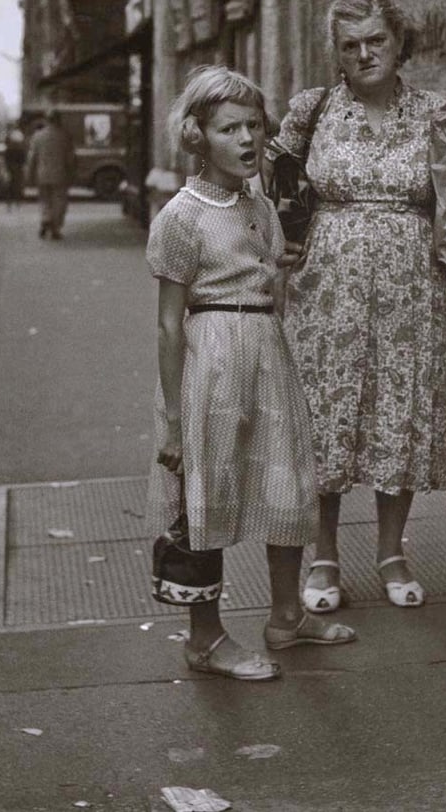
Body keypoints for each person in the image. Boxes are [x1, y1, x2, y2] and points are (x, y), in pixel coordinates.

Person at [148, 65, 356, 681]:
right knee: (206, 492)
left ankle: (287, 617)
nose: (247, 140)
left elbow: (267, 283)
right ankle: (205, 639)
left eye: (254, 126)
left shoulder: (258, 203)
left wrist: (281, 268)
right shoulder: (181, 216)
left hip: (266, 349)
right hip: (210, 358)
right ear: (197, 136)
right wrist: (175, 417)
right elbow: (167, 323)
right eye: (229, 128)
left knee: (287, 481)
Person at [271, 0, 446, 613]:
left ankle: (390, 550)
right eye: (350, 46)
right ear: (337, 56)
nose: (364, 53)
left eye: (376, 40)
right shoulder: (313, 109)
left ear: (401, 42)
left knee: (396, 412)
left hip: (411, 288)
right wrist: (281, 240)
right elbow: (274, 179)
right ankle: (323, 557)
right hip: (327, 289)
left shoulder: (438, 115)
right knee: (325, 414)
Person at [25, 111, 76, 240]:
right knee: (59, 201)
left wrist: (29, 173)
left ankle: (45, 218)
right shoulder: (64, 136)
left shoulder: (38, 136)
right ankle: (55, 227)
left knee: (44, 200)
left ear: (47, 120)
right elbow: (70, 158)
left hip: (42, 174)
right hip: (60, 174)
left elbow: (32, 157)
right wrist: (71, 172)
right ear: (59, 120)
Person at [3, 127, 26, 207]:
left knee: (10, 186)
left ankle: (10, 202)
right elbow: (23, 160)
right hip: (17, 169)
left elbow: (6, 160)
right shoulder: (20, 150)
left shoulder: (9, 150)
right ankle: (17, 201)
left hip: (10, 168)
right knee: (17, 185)